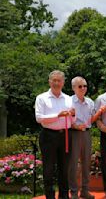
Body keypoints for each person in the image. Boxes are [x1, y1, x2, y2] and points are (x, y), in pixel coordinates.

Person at [35, 70, 73, 199]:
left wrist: (73, 115)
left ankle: (64, 196)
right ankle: (50, 196)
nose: (56, 83)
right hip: (48, 135)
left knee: (64, 168)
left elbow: (72, 120)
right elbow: (39, 118)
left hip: (66, 135)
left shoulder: (68, 98)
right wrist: (57, 115)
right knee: (49, 168)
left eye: (59, 80)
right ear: (49, 81)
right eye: (54, 80)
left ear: (63, 82)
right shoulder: (41, 98)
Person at [68, 77, 106, 199]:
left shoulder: (90, 102)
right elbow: (65, 119)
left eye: (85, 86)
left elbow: (91, 120)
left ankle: (85, 190)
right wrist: (75, 126)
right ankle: (74, 191)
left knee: (86, 163)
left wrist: (99, 112)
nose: (83, 88)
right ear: (74, 88)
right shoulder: (68, 101)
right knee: (73, 163)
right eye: (80, 86)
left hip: (86, 133)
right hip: (73, 133)